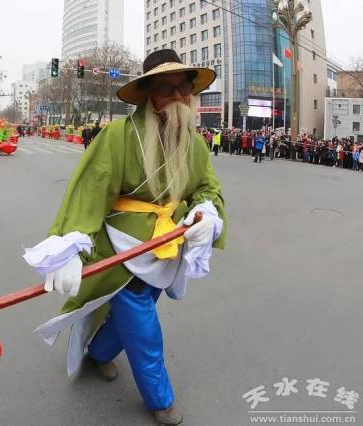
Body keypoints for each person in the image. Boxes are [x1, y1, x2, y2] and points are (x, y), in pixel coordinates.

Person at [25, 49, 226, 426]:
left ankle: (100, 354)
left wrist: (206, 213)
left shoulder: (197, 144)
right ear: (149, 94)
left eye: (184, 88)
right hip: (120, 250)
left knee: (129, 315)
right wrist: (71, 246)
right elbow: (89, 192)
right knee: (142, 322)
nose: (179, 97)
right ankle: (161, 398)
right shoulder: (118, 135)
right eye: (167, 89)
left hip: (167, 248)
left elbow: (207, 189)